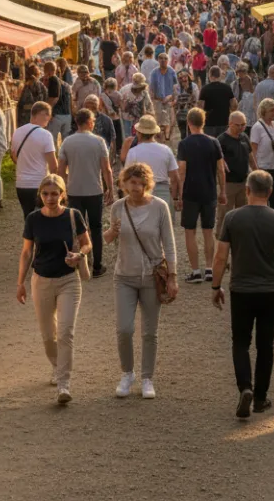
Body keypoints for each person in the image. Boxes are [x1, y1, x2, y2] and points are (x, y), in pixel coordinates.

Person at [211, 170, 274, 419]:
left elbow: (220, 257)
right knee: (266, 345)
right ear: (270, 192)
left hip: (241, 289)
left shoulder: (232, 218)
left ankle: (245, 388)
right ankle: (260, 398)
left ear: (248, 190)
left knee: (240, 342)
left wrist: (215, 286)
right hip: (270, 290)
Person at [16, 174, 92, 405]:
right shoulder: (33, 219)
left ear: (62, 194)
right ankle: (57, 365)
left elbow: (87, 243)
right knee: (49, 335)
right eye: (46, 194)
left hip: (69, 279)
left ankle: (63, 383)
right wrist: (20, 282)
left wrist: (80, 254)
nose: (50, 198)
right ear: (40, 195)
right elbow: (27, 252)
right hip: (41, 280)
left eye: (55, 193)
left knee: (66, 332)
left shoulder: (73, 215)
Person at [105, 163, 178, 399]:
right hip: (124, 276)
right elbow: (106, 238)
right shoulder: (117, 207)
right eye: (131, 182)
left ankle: (148, 378)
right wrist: (112, 233)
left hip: (151, 276)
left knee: (150, 331)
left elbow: (169, 243)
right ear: (123, 183)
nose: (135, 187)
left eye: (140, 183)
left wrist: (173, 277)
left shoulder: (160, 207)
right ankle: (127, 373)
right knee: (124, 329)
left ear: (147, 185)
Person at [58, 109, 115, 278]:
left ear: (76, 122)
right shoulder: (98, 142)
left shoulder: (67, 142)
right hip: (94, 190)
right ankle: (97, 265)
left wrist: (61, 190)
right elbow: (107, 169)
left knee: (76, 229)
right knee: (96, 228)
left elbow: (60, 170)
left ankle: (76, 262)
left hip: (74, 191)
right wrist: (110, 189)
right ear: (90, 122)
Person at [177, 108, 226, 283]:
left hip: (191, 192)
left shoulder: (184, 144)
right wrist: (223, 191)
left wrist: (179, 194)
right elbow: (220, 169)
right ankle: (209, 268)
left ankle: (195, 270)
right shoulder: (214, 142)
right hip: (209, 191)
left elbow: (181, 171)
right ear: (203, 122)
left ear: (189, 123)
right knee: (208, 231)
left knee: (189, 232)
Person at [11, 101, 59, 217]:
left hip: (21, 184)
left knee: (28, 218)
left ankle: (28, 235)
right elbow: (53, 165)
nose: (49, 118)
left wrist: (26, 164)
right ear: (41, 114)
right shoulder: (45, 135)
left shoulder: (17, 132)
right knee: (43, 218)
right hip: (39, 183)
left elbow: (13, 156)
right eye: (48, 115)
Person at [123, 115, 180, 210]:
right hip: (163, 193)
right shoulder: (166, 150)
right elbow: (174, 178)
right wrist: (174, 198)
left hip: (141, 192)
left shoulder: (133, 152)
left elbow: (126, 178)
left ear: (139, 133)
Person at [216, 110, 254, 238]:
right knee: (224, 214)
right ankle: (221, 238)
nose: (241, 128)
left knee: (243, 213)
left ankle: (241, 238)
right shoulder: (221, 140)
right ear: (230, 123)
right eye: (238, 125)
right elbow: (216, 161)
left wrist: (257, 171)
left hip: (244, 182)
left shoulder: (244, 137)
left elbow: (250, 156)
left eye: (243, 125)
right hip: (228, 184)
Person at [250, 98, 274, 212]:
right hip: (263, 167)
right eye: (271, 110)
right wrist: (255, 169)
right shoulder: (257, 127)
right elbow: (253, 149)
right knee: (262, 197)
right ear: (264, 111)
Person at [148, 51, 178, 142]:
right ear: (158, 60)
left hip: (169, 100)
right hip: (158, 100)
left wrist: (174, 98)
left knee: (170, 121)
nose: (163, 60)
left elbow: (176, 87)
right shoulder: (154, 73)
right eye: (161, 58)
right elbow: (151, 88)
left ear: (168, 60)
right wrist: (152, 100)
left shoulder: (172, 71)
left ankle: (167, 137)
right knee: (159, 121)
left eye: (165, 58)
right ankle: (162, 138)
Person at [198, 65, 236, 139]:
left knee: (210, 147)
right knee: (223, 146)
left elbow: (200, 108)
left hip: (209, 124)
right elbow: (234, 105)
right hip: (224, 122)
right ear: (220, 75)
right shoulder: (227, 88)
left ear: (210, 75)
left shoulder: (204, 89)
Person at [43, 62, 73, 142]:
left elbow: (54, 98)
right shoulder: (66, 85)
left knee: (52, 142)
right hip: (67, 115)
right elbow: (71, 102)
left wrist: (48, 112)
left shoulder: (52, 80)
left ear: (46, 70)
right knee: (66, 142)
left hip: (56, 115)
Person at [120, 72, 154, 136]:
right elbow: (120, 105)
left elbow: (149, 104)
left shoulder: (144, 92)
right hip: (127, 118)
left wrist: (151, 115)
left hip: (140, 118)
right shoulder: (124, 91)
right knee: (129, 136)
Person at [173, 70, 199, 140]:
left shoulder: (194, 86)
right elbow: (176, 100)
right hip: (181, 114)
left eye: (185, 77)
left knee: (191, 132)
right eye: (181, 78)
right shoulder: (176, 87)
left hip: (191, 113)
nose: (183, 79)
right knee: (183, 134)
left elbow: (196, 99)